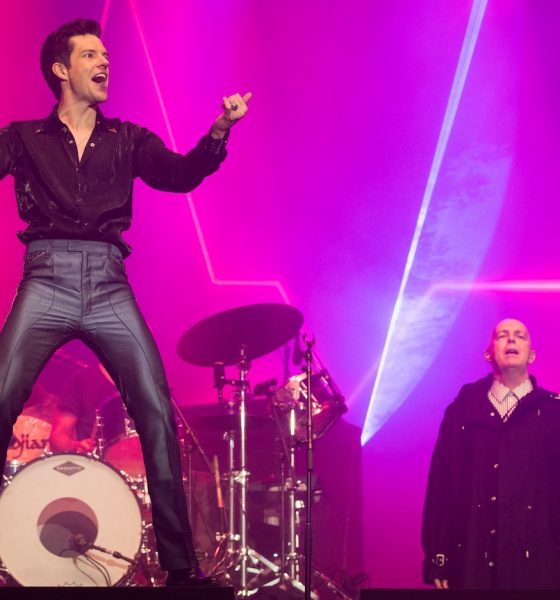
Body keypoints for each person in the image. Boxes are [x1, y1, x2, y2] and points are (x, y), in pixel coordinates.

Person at [0, 18, 250, 587]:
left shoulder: (128, 139)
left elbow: (181, 174)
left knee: (157, 413)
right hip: (46, 277)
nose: (104, 62)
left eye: (106, 54)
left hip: (109, 283)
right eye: (91, 54)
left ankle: (181, 570)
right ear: (61, 70)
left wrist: (219, 131)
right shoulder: (20, 138)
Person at [422, 318, 560, 589]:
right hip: (473, 557)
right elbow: (441, 486)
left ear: (531, 354)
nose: (511, 340)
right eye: (502, 335)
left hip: (540, 563)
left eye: (520, 335)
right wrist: (438, 555)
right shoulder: (462, 411)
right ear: (488, 352)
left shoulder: (554, 413)